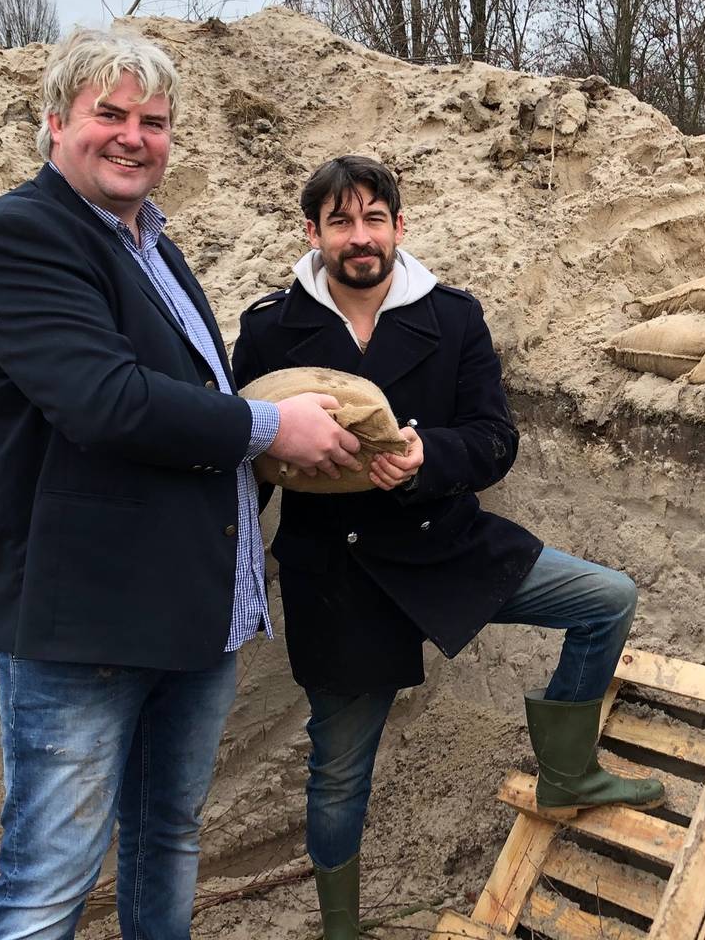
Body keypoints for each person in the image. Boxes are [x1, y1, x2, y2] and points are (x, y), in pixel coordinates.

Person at [0, 30, 364, 939]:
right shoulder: (20, 236)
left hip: (188, 614)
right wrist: (272, 426)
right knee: (49, 881)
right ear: (55, 123)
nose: (132, 136)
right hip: (89, 621)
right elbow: (106, 402)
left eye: (152, 122)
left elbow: (192, 395)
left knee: (167, 840)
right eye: (108, 114)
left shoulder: (148, 241)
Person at [232, 155, 664, 938]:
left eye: (374, 218)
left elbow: (495, 439)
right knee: (339, 772)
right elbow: (249, 461)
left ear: (400, 226)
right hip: (337, 574)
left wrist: (430, 458)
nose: (359, 237)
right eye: (340, 221)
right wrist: (223, 565)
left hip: (445, 542)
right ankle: (340, 929)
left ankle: (568, 773)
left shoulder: (454, 317)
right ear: (313, 233)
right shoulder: (270, 328)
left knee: (606, 600)